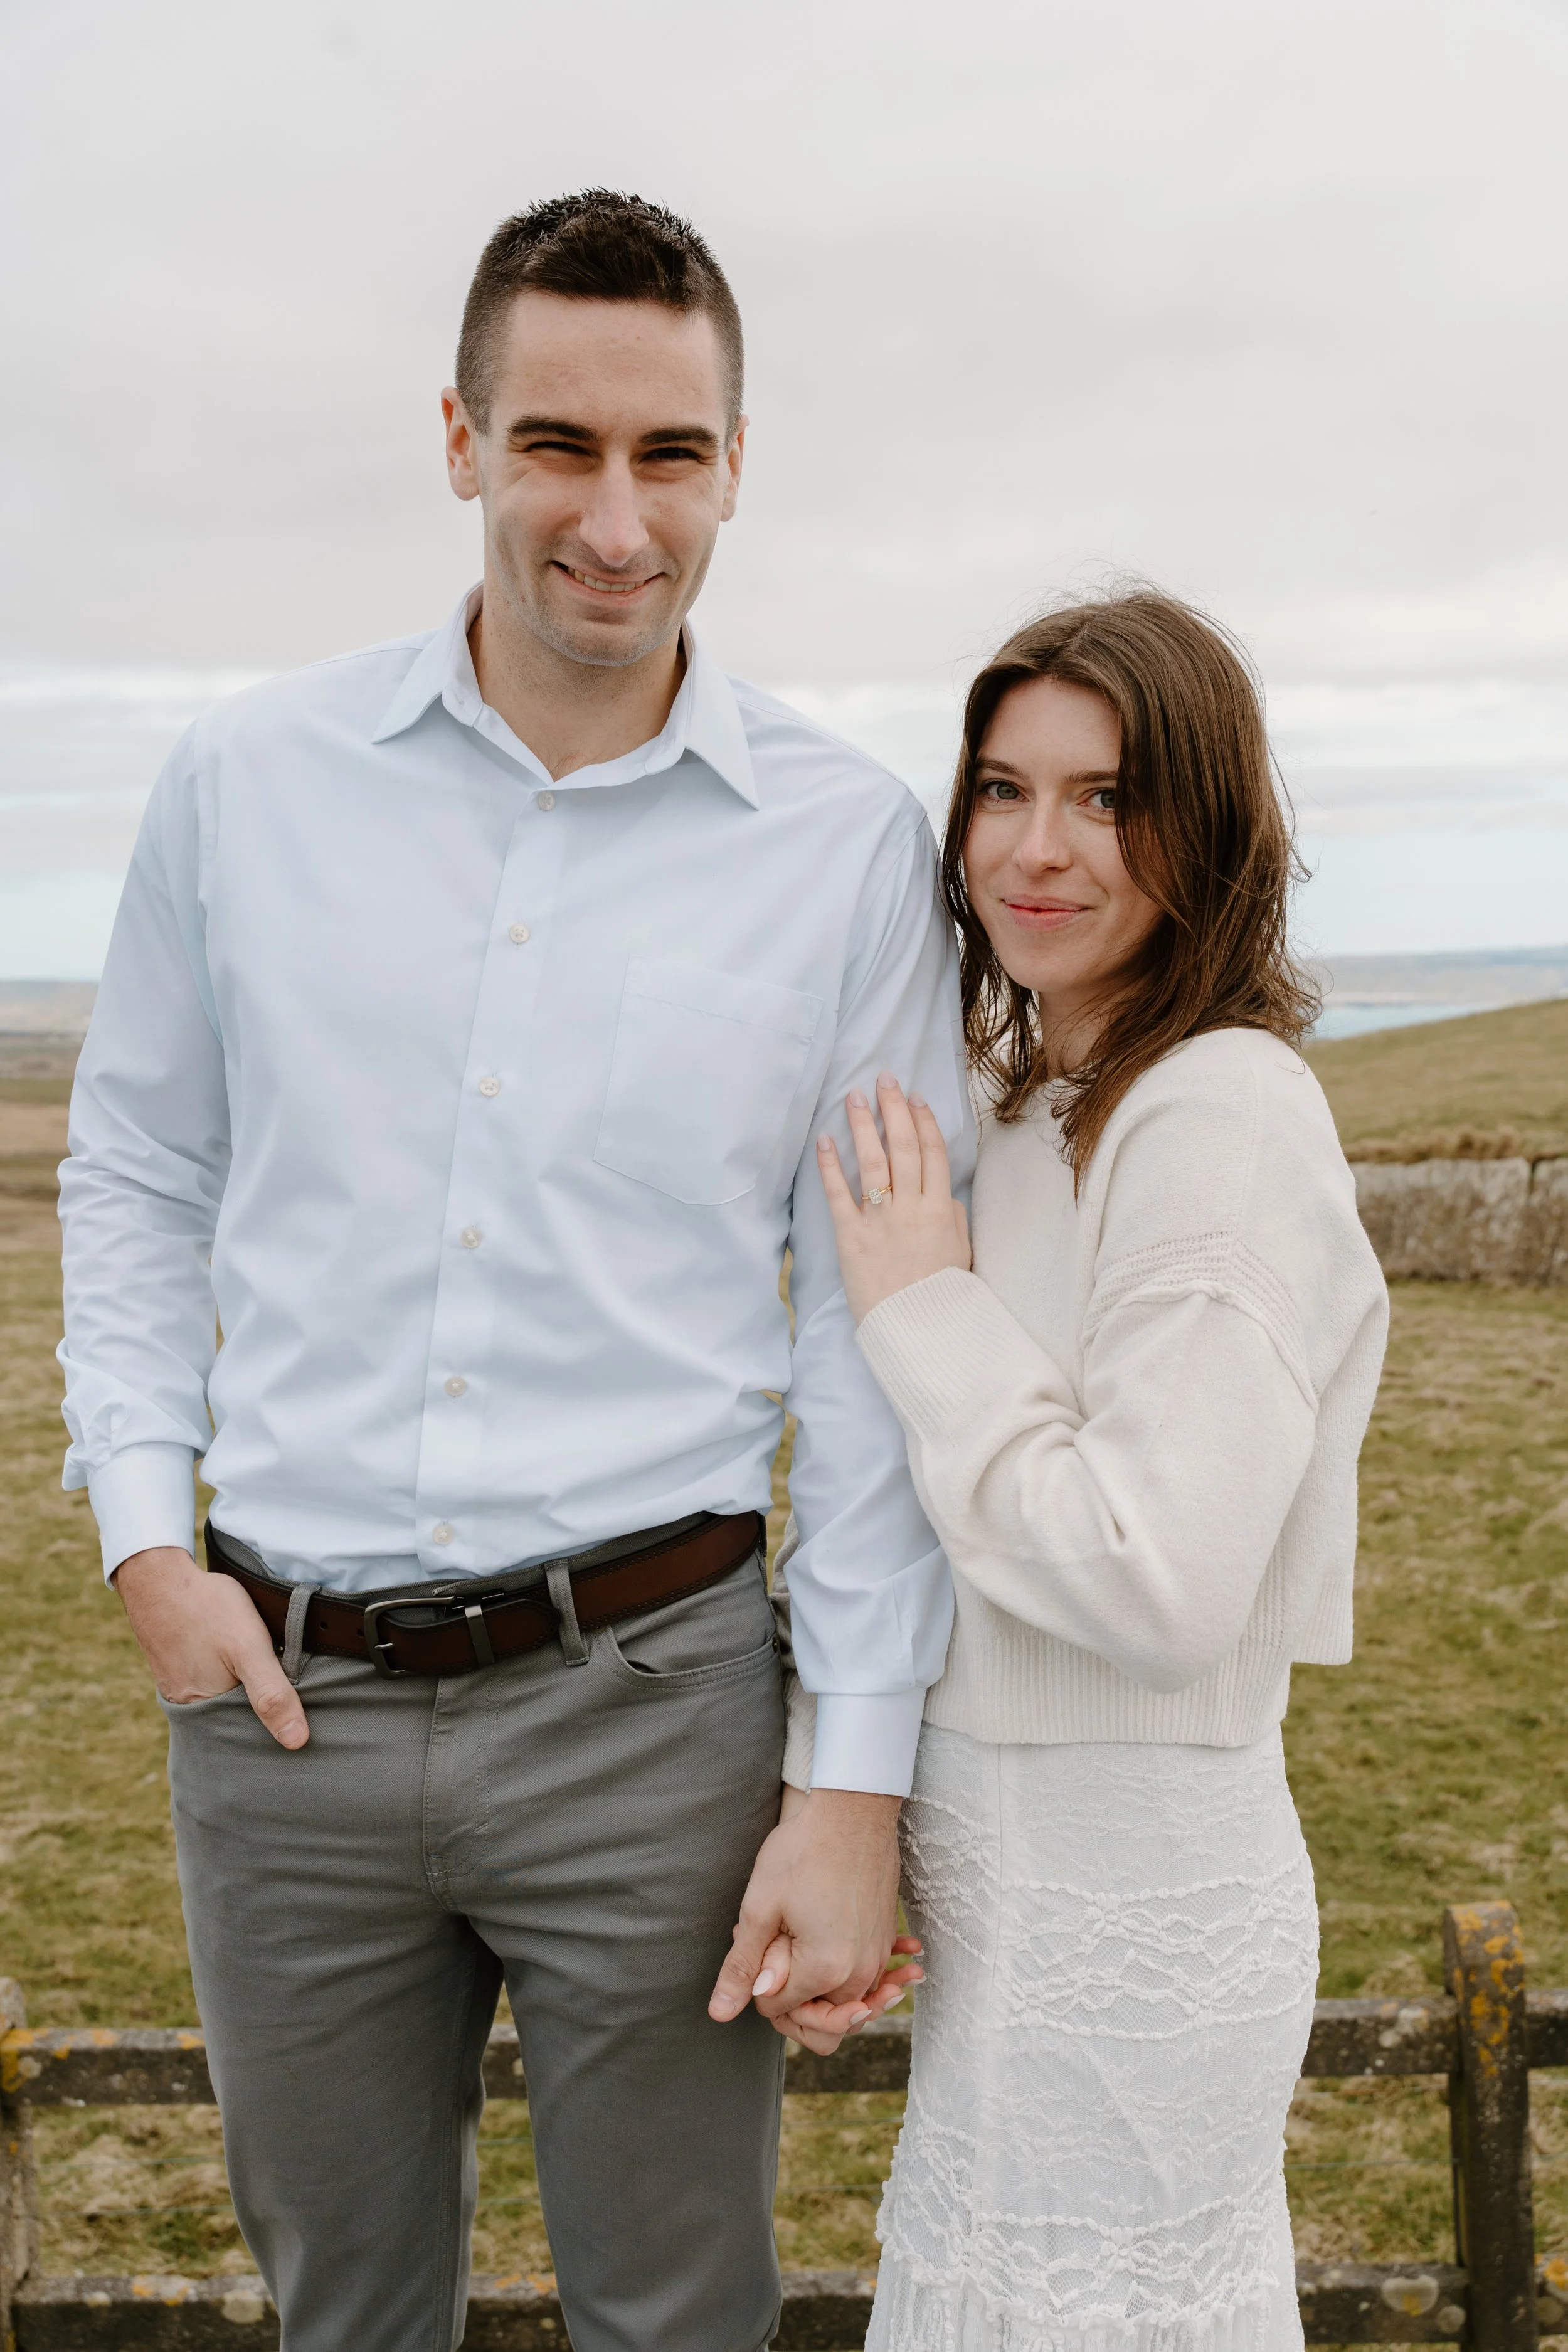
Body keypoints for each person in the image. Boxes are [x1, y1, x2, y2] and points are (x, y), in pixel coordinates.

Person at [56, 189, 967, 2352]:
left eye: (671, 455)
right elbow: (138, 1166)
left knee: (679, 2311)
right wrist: (141, 1545)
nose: (615, 518)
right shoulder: (245, 783)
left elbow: (864, 1337)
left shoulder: (842, 848)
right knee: (341, 2309)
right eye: (558, 443)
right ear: (458, 438)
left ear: (736, 465)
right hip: (283, 1710)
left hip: (653, 1711)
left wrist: (847, 1782)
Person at [807, 591, 1389, 2350]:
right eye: (999, 788)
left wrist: (922, 1313)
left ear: (1203, 828)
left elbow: (1154, 1573)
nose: (1035, 848)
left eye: (1103, 796)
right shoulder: (1019, 1101)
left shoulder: (1217, 1114)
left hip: (1136, 1888)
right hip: (999, 1878)